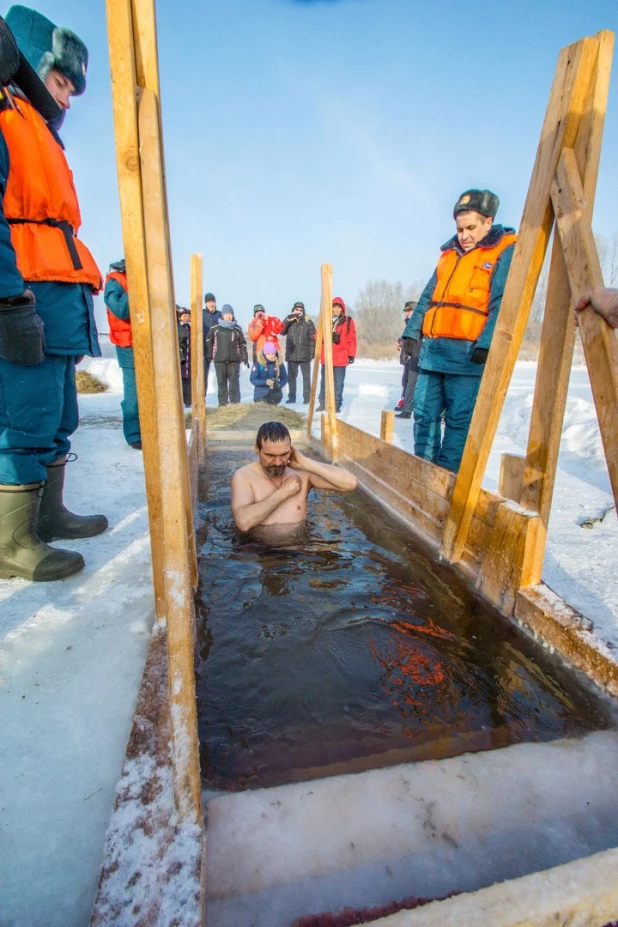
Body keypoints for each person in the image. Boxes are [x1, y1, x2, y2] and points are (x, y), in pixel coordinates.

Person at [0, 6, 108, 582]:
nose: (67, 98)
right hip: (27, 289)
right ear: (31, 65)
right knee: (25, 418)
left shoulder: (39, 130)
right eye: (61, 82)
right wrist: (8, 299)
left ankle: (48, 514)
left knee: (59, 413)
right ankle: (12, 540)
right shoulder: (4, 112)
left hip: (58, 294)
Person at [402, 189, 516, 471]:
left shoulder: (503, 251)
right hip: (433, 351)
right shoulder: (447, 255)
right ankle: (424, 473)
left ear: (488, 222)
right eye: (459, 228)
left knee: (458, 419)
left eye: (471, 228)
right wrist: (410, 333)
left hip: (468, 354)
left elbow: (502, 302)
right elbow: (428, 297)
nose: (464, 235)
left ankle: (448, 478)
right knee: (424, 415)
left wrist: (486, 344)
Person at [231, 421, 357, 532]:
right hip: (259, 552)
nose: (278, 462)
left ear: (291, 450)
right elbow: (243, 522)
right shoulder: (244, 476)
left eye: (284, 454)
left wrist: (306, 462)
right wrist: (284, 492)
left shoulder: (302, 473)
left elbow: (350, 483)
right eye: (270, 456)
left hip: (300, 551)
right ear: (257, 450)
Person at [104, 259, 141, 449]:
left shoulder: (146, 280)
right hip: (128, 345)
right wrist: (134, 287)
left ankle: (149, 429)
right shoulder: (114, 282)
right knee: (134, 393)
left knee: (151, 391)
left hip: (146, 344)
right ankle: (134, 434)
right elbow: (121, 310)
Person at [316, 296, 357, 413]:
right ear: (331, 308)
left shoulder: (348, 321)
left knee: (338, 383)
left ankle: (336, 404)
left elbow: (352, 339)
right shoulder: (325, 320)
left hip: (340, 357)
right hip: (327, 357)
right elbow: (317, 336)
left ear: (342, 309)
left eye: (338, 307)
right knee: (324, 382)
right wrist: (327, 336)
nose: (336, 310)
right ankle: (322, 403)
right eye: (334, 307)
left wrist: (351, 354)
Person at [206, 303, 248, 406]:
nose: (228, 316)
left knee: (234, 384)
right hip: (220, 360)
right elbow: (209, 341)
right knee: (222, 384)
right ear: (223, 315)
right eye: (226, 314)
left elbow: (242, 344)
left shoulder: (237, 329)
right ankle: (223, 404)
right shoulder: (215, 328)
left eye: (230, 314)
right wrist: (209, 355)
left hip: (233, 361)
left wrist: (244, 357)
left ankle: (235, 404)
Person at [282, 300, 316, 404]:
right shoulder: (289, 321)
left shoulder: (308, 322)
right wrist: (288, 319)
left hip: (304, 355)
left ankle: (307, 399)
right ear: (293, 311)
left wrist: (311, 354)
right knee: (291, 378)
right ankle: (292, 398)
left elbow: (312, 339)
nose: (299, 312)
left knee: (306, 378)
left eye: (301, 310)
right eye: (297, 309)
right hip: (292, 354)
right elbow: (281, 331)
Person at [395, 300, 421, 419]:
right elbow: (407, 337)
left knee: (412, 384)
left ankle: (408, 408)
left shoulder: (420, 323)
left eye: (409, 311)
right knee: (406, 382)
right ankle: (406, 406)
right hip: (410, 356)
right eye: (406, 311)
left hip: (416, 356)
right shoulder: (410, 322)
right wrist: (401, 341)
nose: (406, 313)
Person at [250, 341, 288, 405]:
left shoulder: (279, 363)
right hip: (261, 393)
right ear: (265, 354)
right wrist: (266, 382)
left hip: (274, 393)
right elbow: (253, 379)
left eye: (273, 353)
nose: (271, 356)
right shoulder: (259, 364)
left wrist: (278, 385)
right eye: (269, 354)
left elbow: (284, 378)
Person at [202, 292, 220, 393]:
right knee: (204, 372)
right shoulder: (201, 313)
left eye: (212, 302)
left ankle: (222, 399)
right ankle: (202, 395)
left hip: (216, 346)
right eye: (209, 302)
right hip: (204, 347)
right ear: (206, 303)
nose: (211, 304)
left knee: (220, 374)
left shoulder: (219, 315)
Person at [177, 306, 192, 407]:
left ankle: (188, 402)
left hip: (189, 357)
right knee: (181, 379)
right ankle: (180, 401)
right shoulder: (178, 327)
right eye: (184, 316)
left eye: (188, 316)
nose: (187, 318)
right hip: (181, 358)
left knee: (189, 380)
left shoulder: (191, 328)